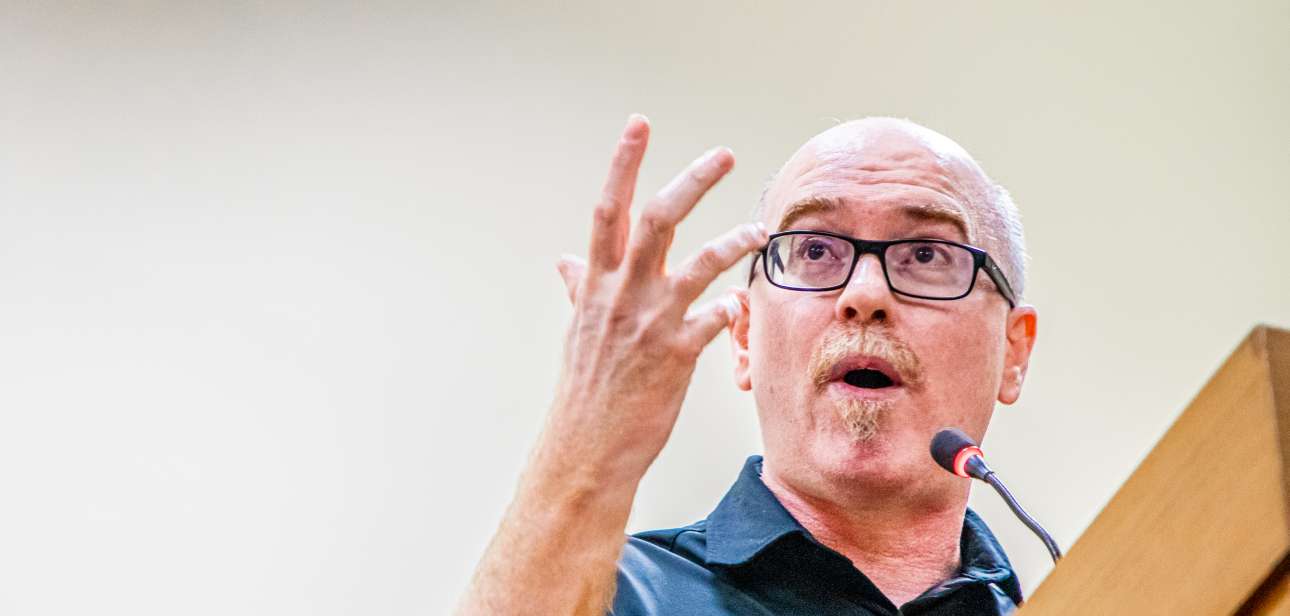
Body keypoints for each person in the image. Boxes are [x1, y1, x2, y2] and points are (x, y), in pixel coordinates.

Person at [456, 113, 1038, 615]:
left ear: (1013, 353)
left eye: (926, 255)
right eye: (815, 250)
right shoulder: (611, 596)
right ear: (744, 337)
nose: (864, 294)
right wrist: (591, 435)